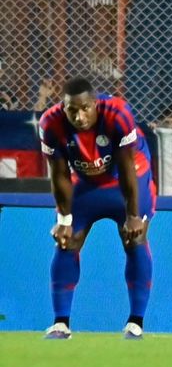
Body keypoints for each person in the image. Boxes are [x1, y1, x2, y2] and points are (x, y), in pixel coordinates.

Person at [38, 77, 156, 340]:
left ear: (95, 104)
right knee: (67, 241)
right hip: (86, 179)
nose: (79, 117)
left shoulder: (118, 113)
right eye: (72, 110)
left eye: (85, 109)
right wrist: (64, 219)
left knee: (134, 238)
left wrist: (133, 215)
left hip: (127, 174)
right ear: (63, 107)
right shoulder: (49, 123)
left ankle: (135, 324)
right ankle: (60, 324)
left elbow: (127, 166)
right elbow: (59, 174)